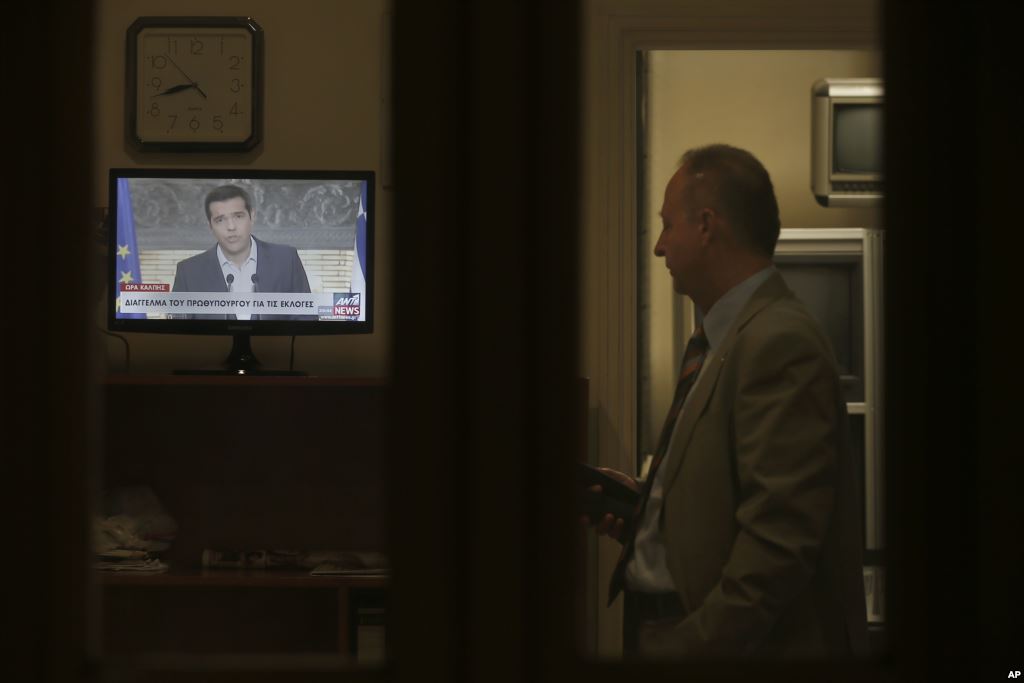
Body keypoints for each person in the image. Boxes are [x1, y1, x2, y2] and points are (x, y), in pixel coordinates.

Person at [585, 144, 868, 658]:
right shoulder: (724, 338)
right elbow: (736, 489)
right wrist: (650, 506)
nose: (659, 247)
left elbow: (776, 548)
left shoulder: (779, 343)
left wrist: (686, 650)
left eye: (668, 225)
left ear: (707, 226)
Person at [172, 184, 315, 320]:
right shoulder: (188, 272)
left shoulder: (286, 259)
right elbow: (178, 333)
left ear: (252, 216)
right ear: (210, 225)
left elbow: (307, 319)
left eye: (238, 216)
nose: (231, 227)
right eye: (220, 220)